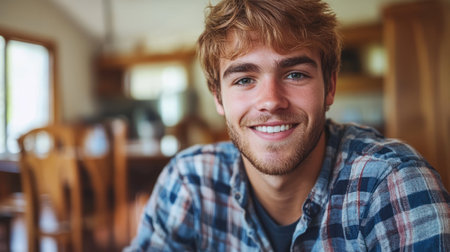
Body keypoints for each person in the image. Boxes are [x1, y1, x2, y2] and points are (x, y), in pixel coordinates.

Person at [125, 0, 450, 251]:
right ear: (218, 98)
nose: (271, 101)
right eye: (244, 79)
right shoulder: (189, 184)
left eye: (295, 74)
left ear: (330, 87)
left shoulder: (392, 185)